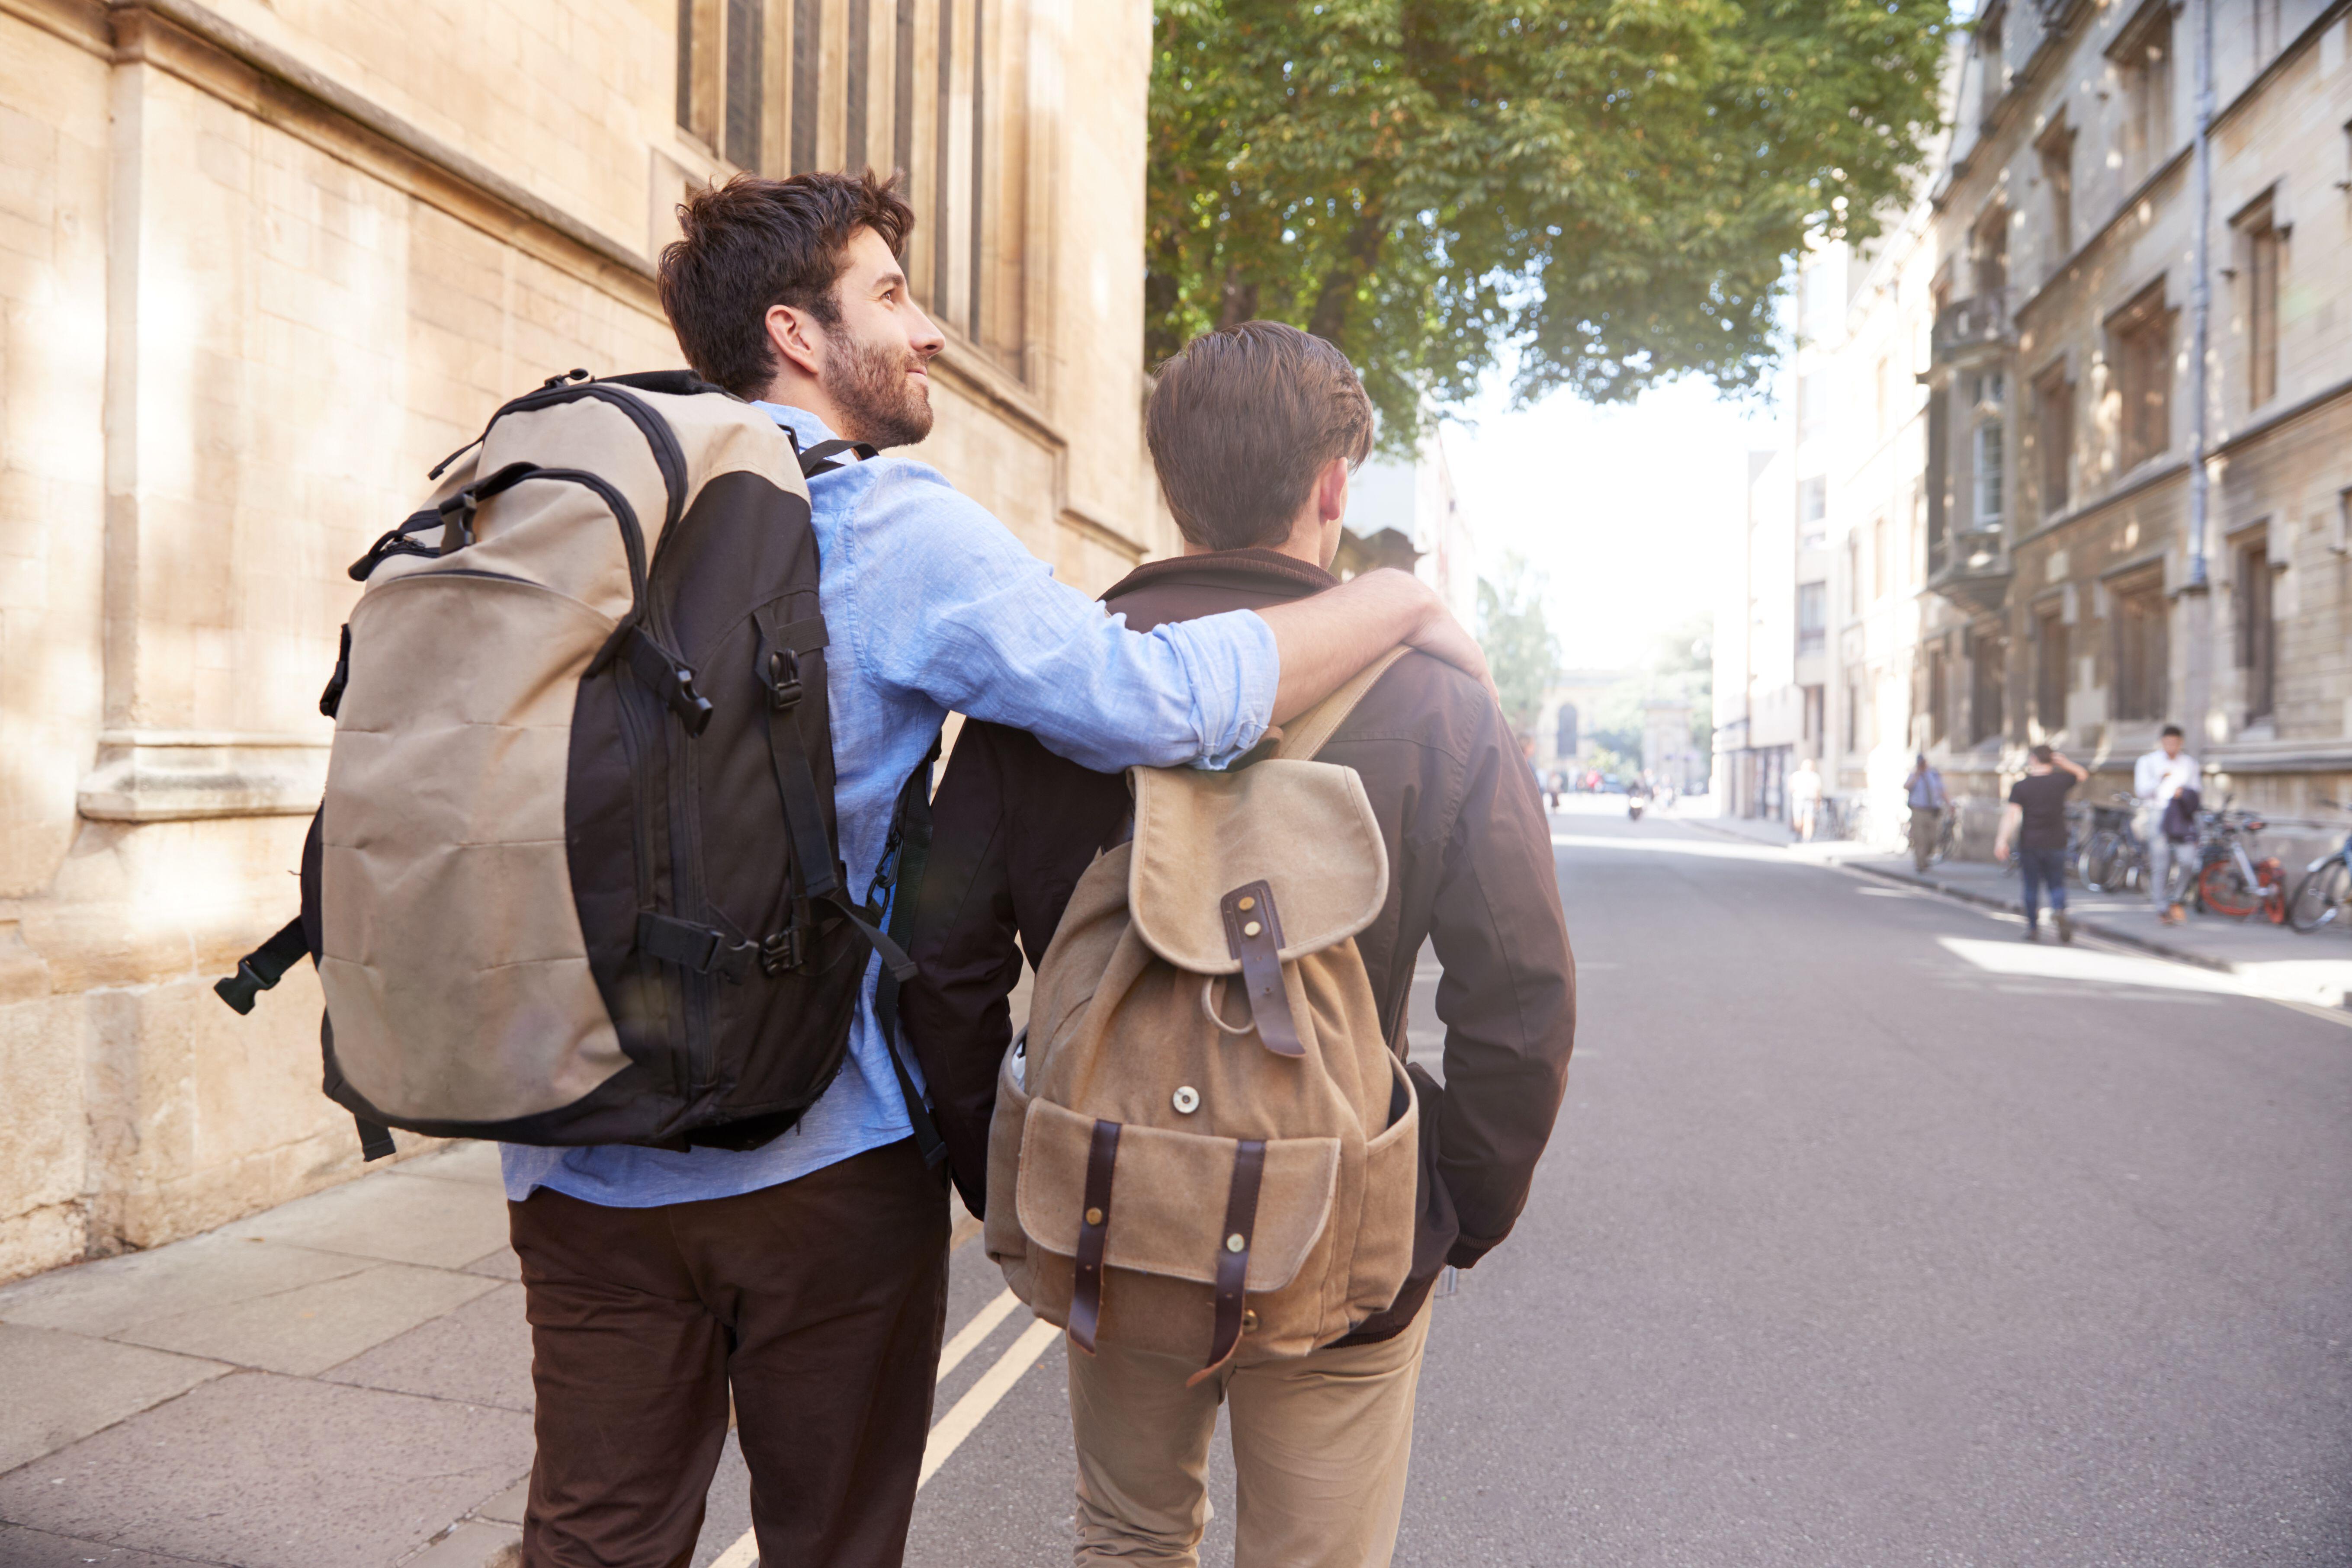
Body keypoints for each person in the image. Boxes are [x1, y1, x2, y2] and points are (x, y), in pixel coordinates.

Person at [497, 175, 1491, 1568]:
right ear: (795, 331)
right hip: (815, 1162)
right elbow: (1156, 702)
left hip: (569, 1149)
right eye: (892, 294)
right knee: (832, 1540)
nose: (933, 335)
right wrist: (1397, 598)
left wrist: (1001, 1157)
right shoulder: (894, 525)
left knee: (591, 1539)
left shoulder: (564, 503)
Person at [900, 321, 1575, 1568]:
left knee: (1128, 1537)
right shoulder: (1437, 702)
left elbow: (937, 968)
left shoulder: (1051, 685)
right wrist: (1447, 1209)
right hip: (1343, 1222)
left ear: (1166, 480)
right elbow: (1520, 998)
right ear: (1332, 486)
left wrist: (1022, 1173)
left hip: (1111, 1198)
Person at [1994, 744, 2088, 943]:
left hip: (2030, 842)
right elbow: (2082, 774)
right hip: (2057, 841)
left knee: (2031, 886)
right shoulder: (2061, 780)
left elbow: (2011, 815)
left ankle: (2033, 928)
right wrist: (2065, 763)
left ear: (2032, 760)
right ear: (2052, 760)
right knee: (2056, 883)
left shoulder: (2021, 786)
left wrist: (2002, 840)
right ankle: (2059, 909)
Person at [2136, 724, 2200, 924]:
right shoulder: (2148, 762)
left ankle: (2176, 899)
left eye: (2175, 742)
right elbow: (2142, 791)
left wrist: (2185, 794)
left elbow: (2197, 790)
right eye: (2167, 742)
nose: (2171, 745)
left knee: (2188, 861)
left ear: (2181, 743)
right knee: (2161, 863)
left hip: (2181, 815)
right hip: (2158, 813)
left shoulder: (2189, 764)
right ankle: (2162, 908)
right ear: (2162, 742)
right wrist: (2159, 780)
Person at [1904, 754, 1948, 872]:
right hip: (1918, 810)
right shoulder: (1914, 775)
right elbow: (1906, 787)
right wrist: (1917, 775)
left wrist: (1949, 804)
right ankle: (1920, 863)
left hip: (1932, 811)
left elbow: (1942, 790)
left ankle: (1926, 857)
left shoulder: (1933, 775)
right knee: (1920, 838)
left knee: (1933, 838)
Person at [1788, 757, 1823, 842]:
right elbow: (1791, 786)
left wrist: (1818, 802)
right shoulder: (1797, 775)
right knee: (1798, 820)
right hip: (1799, 799)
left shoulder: (1815, 776)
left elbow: (1818, 790)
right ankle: (1798, 834)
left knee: (1809, 819)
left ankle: (1807, 839)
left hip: (1810, 800)